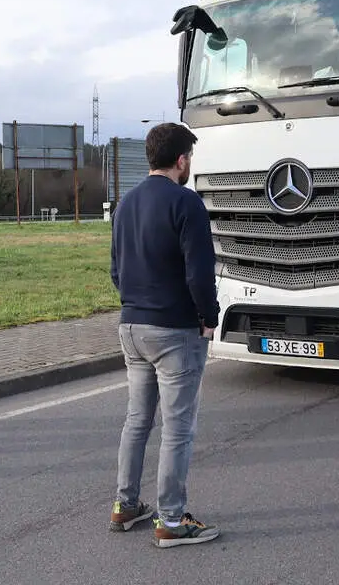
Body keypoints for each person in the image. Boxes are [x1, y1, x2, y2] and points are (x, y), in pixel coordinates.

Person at [108, 123, 220, 548]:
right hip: (174, 330)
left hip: (131, 326)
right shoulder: (186, 203)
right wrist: (208, 317)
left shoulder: (125, 205)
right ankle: (171, 520)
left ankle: (126, 505)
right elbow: (199, 272)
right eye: (190, 157)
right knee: (177, 428)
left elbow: (117, 270)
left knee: (138, 420)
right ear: (182, 160)